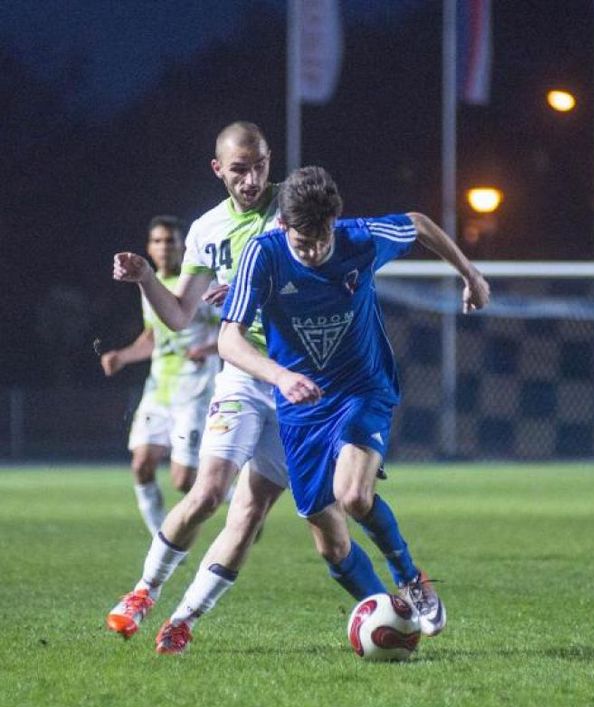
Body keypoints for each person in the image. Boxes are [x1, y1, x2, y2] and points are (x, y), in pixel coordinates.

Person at [218, 166, 489, 637]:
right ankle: (386, 618)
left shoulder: (360, 238)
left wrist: (470, 273)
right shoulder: (261, 256)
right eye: (304, 243)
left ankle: (410, 579)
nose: (315, 251)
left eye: (322, 240)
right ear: (283, 226)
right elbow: (228, 340)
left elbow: (419, 223)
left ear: (334, 224)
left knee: (354, 495)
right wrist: (281, 377)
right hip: (300, 407)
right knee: (330, 544)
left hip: (363, 388)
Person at [103, 122, 311, 655]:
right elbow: (177, 315)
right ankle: (143, 593)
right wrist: (148, 276)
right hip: (244, 372)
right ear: (218, 169)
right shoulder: (207, 230)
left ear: (270, 160)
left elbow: (322, 270)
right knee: (208, 492)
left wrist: (256, 286)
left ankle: (186, 619)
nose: (250, 178)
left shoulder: (296, 208)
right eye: (238, 169)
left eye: (259, 165)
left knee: (251, 512)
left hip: (301, 381)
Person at [100, 216, 220, 535]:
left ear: (183, 246)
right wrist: (122, 356)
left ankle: (232, 493)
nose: (165, 246)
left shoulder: (203, 284)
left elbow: (238, 331)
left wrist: (208, 350)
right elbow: (153, 337)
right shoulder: (150, 286)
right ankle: (161, 538)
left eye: (171, 240)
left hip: (196, 393)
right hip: (159, 391)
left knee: (183, 481)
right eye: (158, 241)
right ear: (149, 248)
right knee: (141, 465)